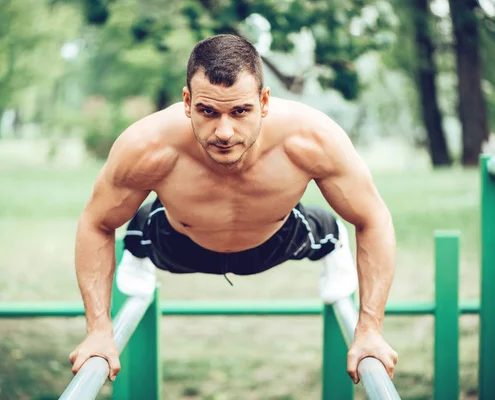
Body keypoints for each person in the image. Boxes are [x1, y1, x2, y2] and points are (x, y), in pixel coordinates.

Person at [69, 34, 398, 385]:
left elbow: (373, 218)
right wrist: (99, 328)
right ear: (187, 101)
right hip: (176, 244)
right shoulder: (148, 146)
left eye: (240, 111)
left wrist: (370, 328)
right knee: (137, 224)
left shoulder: (311, 139)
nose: (224, 132)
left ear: (265, 101)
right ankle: (138, 256)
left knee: (326, 228)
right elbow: (97, 223)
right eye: (207, 111)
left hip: (275, 242)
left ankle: (332, 248)